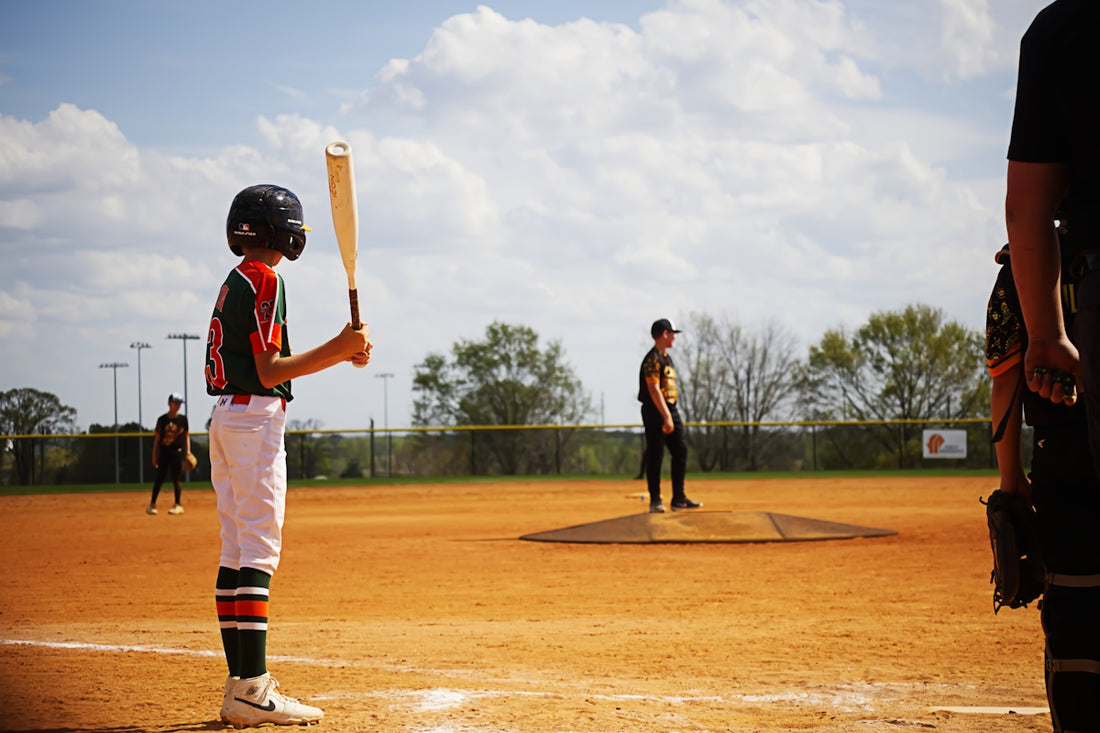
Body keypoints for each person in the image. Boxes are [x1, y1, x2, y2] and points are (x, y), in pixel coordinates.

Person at [205, 184, 371, 728]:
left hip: (228, 417)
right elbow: (273, 371)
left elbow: (260, 365)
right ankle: (251, 689)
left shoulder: (235, 279)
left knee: (236, 551)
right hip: (254, 418)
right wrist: (340, 348)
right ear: (277, 233)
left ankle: (241, 686)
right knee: (256, 552)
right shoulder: (266, 278)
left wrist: (340, 347)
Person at [1006, 4, 1100, 727]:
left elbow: (1027, 207)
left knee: (1078, 528)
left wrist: (1049, 333)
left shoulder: (1063, 29)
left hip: (1091, 303)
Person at [638, 318, 701, 513]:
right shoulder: (653, 359)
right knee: (656, 454)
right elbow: (653, 388)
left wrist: (670, 413)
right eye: (672, 333)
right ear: (664, 334)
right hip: (655, 410)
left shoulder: (666, 358)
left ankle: (679, 499)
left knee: (680, 450)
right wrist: (666, 416)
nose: (674, 337)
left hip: (670, 408)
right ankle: (655, 500)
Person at [147, 393, 190, 516]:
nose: (178, 405)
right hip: (164, 452)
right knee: (159, 478)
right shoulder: (162, 420)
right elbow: (157, 439)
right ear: (169, 403)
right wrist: (154, 455)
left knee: (176, 479)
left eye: (179, 403)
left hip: (177, 453)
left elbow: (186, 436)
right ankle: (152, 505)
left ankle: (178, 505)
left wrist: (188, 452)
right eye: (175, 403)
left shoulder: (183, 419)